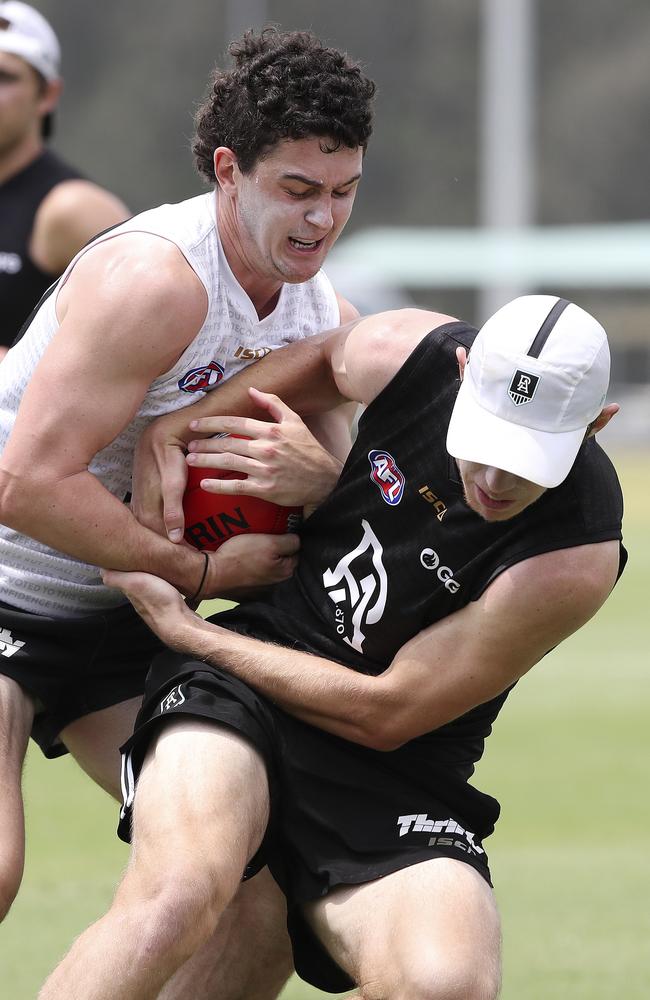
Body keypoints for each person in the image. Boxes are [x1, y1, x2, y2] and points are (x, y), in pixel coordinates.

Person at [38, 295, 626, 1000]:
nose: (496, 482)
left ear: (597, 424)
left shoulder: (574, 555)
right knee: (179, 895)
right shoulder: (410, 350)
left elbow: (388, 712)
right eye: (488, 443)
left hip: (396, 763)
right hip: (247, 684)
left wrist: (188, 632)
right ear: (463, 373)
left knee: (447, 985)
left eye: (529, 458)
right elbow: (322, 358)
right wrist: (179, 425)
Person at [0, 25, 375, 997]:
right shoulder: (155, 281)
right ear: (227, 168)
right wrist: (201, 576)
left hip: (119, 622)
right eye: (296, 190)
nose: (320, 220)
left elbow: (352, 516)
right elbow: (25, 484)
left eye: (341, 193)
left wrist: (319, 487)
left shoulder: (314, 314)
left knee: (248, 900)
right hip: (7, 586)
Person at [0, 1, 129, 354]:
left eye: (4, 77)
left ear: (47, 95)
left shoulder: (71, 209)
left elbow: (145, 349)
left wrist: (13, 369)